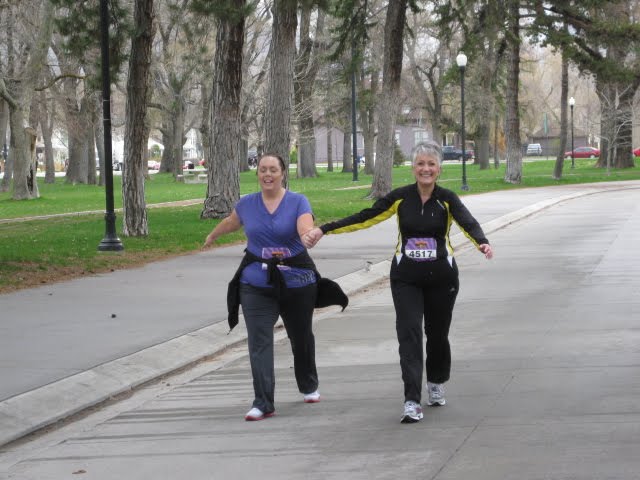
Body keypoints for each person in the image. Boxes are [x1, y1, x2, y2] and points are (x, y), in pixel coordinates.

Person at [303, 141, 493, 424]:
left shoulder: (447, 199)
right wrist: (324, 229)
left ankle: (436, 381)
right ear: (413, 168)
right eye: (420, 164)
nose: (425, 169)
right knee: (409, 333)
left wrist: (482, 242)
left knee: (437, 335)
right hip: (406, 278)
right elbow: (367, 217)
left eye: (431, 164)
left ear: (439, 169)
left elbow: (468, 222)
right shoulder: (401, 198)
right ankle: (411, 400)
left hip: (442, 278)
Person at [203, 153, 347, 422]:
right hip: (256, 283)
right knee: (259, 341)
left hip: (296, 283)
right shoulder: (247, 204)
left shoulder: (298, 201)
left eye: (273, 170)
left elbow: (305, 224)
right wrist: (213, 235)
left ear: (282, 174)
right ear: (257, 173)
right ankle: (263, 403)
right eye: (262, 170)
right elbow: (232, 221)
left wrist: (308, 235)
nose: (267, 174)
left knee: (301, 337)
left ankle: (308, 384)